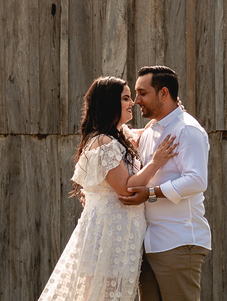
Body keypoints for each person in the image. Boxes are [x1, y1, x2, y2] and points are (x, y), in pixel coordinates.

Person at [37, 76, 177, 301]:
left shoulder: (119, 136)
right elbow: (125, 188)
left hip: (123, 233)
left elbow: (145, 132)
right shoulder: (102, 142)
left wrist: (170, 112)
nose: (131, 103)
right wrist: (156, 162)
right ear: (109, 102)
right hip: (107, 234)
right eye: (125, 98)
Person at [117, 66, 211, 301]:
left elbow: (197, 180)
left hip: (178, 241)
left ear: (164, 93)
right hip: (149, 243)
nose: (137, 100)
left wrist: (150, 193)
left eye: (142, 93)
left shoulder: (187, 130)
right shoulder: (151, 131)